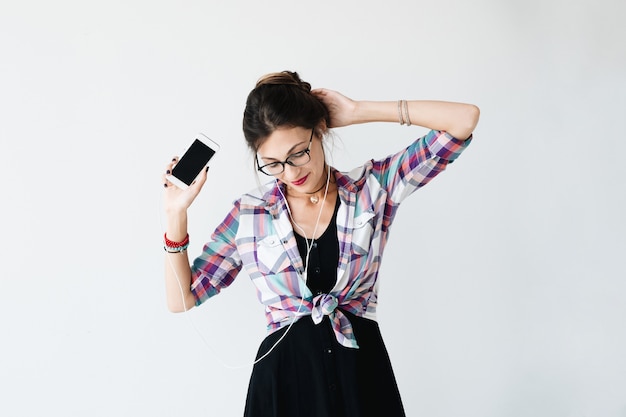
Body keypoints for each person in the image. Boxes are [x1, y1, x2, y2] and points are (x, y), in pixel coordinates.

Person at [161, 71, 479, 417]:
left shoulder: (373, 188)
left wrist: (359, 111)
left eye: (299, 153)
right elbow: (182, 298)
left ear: (320, 132)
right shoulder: (249, 214)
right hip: (283, 386)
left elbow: (464, 120)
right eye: (273, 164)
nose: (290, 170)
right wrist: (175, 214)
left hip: (362, 379)